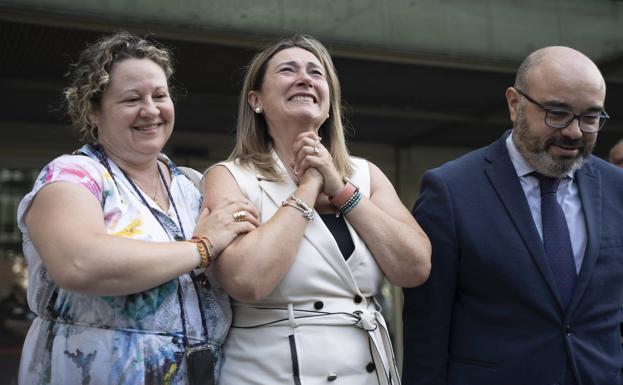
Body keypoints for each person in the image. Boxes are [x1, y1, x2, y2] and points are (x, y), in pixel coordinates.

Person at [17, 31, 258, 385]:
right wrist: (201, 248)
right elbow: (79, 263)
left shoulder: (191, 185)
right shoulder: (74, 175)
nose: (151, 110)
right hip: (95, 370)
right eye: (131, 99)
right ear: (93, 111)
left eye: (159, 95)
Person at [202, 35, 431, 385]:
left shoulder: (365, 175)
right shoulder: (230, 176)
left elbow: (415, 268)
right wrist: (309, 186)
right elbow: (247, 280)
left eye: (315, 72)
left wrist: (340, 190)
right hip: (268, 375)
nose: (304, 78)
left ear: (328, 103)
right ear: (256, 100)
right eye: (287, 70)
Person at [402, 46, 623, 385]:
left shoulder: (616, 188)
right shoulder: (451, 190)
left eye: (590, 117)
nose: (575, 131)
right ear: (515, 103)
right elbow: (427, 327)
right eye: (558, 112)